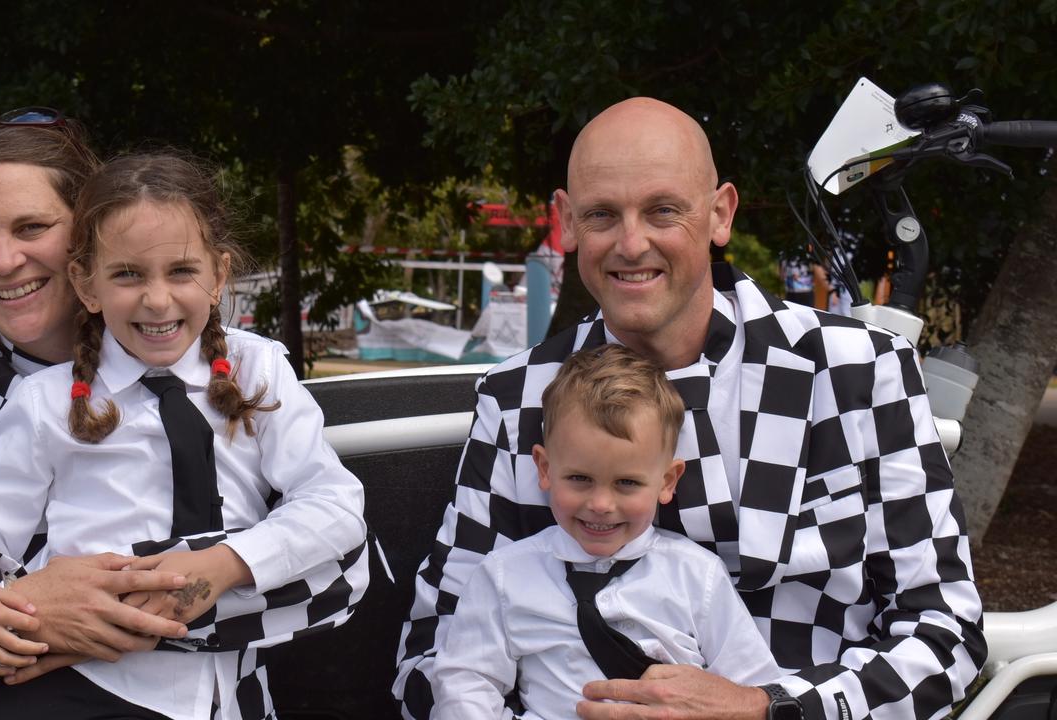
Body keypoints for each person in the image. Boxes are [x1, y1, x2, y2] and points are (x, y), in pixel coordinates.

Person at [396, 97, 986, 720]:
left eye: (662, 211)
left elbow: (946, 636)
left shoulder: (858, 371)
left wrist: (769, 709)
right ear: (567, 223)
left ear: (719, 214)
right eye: (602, 215)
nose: (631, 242)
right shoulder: (520, 397)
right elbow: (432, 652)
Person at [0, 114, 367, 719]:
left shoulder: (242, 375)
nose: (6, 260)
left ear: (91, 231)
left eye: (32, 227)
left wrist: (116, 608)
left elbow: (340, 576)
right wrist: (33, 618)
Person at [430, 345, 781, 719]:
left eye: (626, 483)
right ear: (545, 469)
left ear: (666, 481)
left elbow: (749, 686)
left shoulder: (698, 576)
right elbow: (465, 679)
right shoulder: (504, 576)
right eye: (580, 478)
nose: (600, 504)